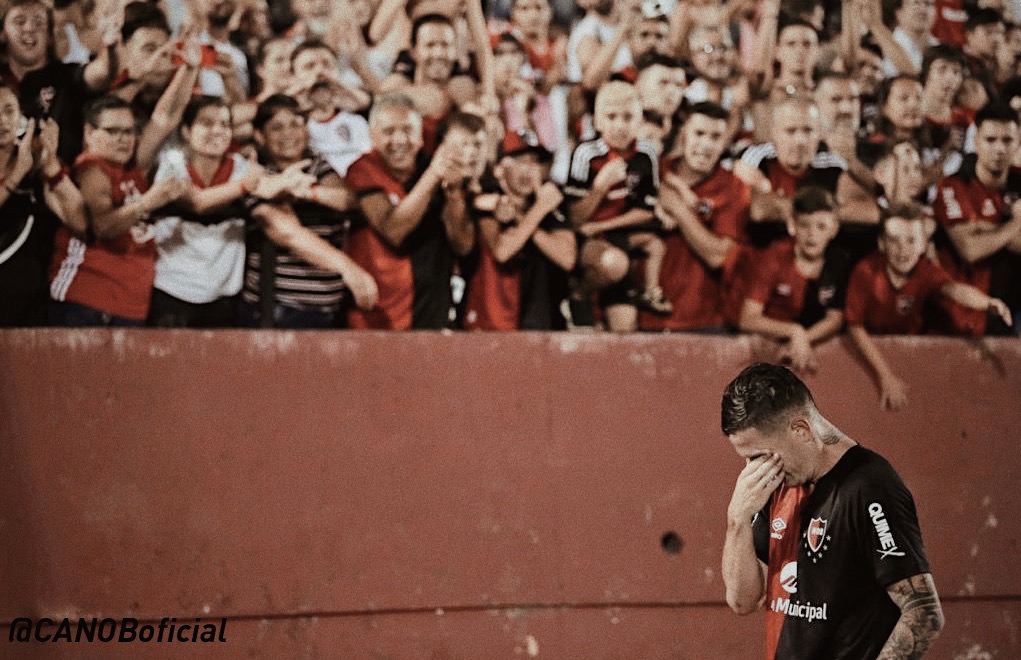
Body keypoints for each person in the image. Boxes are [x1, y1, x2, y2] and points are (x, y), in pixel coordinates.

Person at [720, 362, 945, 659]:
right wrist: (737, 519)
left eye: (759, 455)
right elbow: (743, 601)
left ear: (801, 430)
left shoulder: (870, 485)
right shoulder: (776, 484)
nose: (754, 470)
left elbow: (924, 614)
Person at [846, 204, 1012, 410]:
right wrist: (885, 375)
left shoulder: (925, 270)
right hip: (870, 354)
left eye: (911, 240)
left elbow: (955, 290)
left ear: (923, 245)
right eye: (894, 240)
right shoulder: (866, 272)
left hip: (907, 351)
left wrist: (987, 303)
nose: (903, 249)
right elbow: (854, 326)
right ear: (882, 243)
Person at [564, 80, 672, 330]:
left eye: (627, 117)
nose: (620, 126)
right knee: (615, 263)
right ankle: (578, 293)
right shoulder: (585, 154)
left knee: (624, 328)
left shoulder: (646, 154)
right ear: (598, 121)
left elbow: (645, 210)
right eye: (611, 117)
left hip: (620, 235)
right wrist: (600, 187)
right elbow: (575, 219)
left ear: (640, 120)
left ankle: (649, 292)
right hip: (589, 241)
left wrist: (605, 224)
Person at [463, 129, 576, 330]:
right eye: (519, 160)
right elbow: (503, 251)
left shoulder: (551, 204)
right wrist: (539, 210)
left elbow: (567, 258)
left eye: (534, 162)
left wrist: (528, 215)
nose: (528, 170)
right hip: (490, 321)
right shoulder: (486, 201)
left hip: (543, 322)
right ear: (498, 169)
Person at [0, 84, 88, 326]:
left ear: (20, 117)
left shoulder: (35, 164)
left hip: (26, 302)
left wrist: (51, 165)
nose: (2, 120)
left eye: (9, 110)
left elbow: (81, 224)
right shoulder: (24, 166)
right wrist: (17, 173)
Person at [737, 187, 850, 374]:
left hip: (800, 344)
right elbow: (748, 318)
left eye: (821, 226)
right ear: (792, 225)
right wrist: (793, 331)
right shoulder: (772, 258)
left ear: (834, 229)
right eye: (805, 225)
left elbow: (835, 319)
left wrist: (803, 338)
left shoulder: (839, 262)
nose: (812, 234)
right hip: (767, 345)